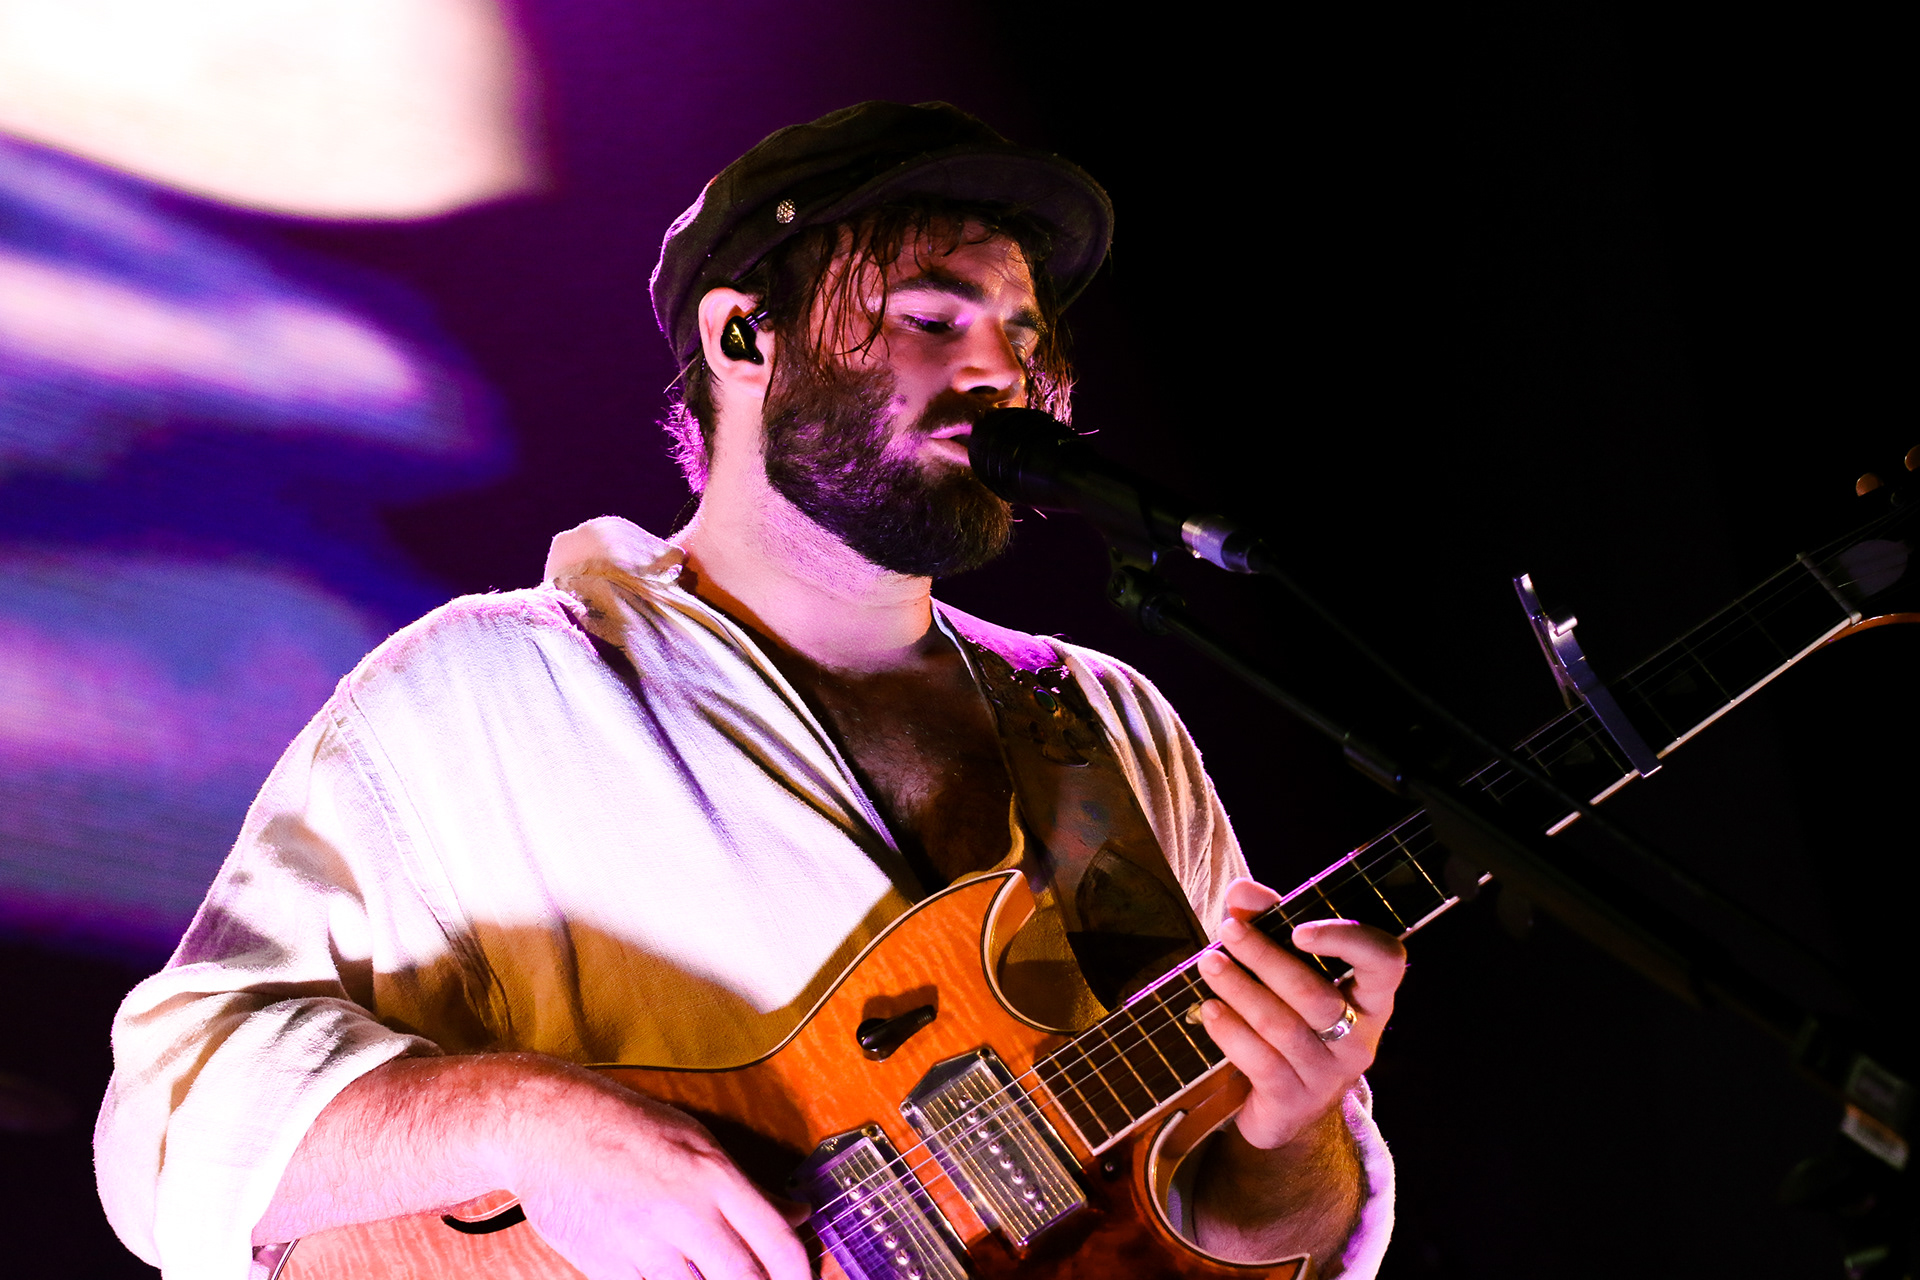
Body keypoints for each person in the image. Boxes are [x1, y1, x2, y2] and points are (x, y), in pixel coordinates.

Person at [95, 101, 1405, 1280]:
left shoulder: (1100, 726)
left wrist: (1293, 1128)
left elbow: (1231, 1228)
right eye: (936, 318)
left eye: (1021, 334)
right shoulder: (482, 693)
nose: (1003, 372)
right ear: (743, 334)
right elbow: (169, 1121)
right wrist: (544, 1128)